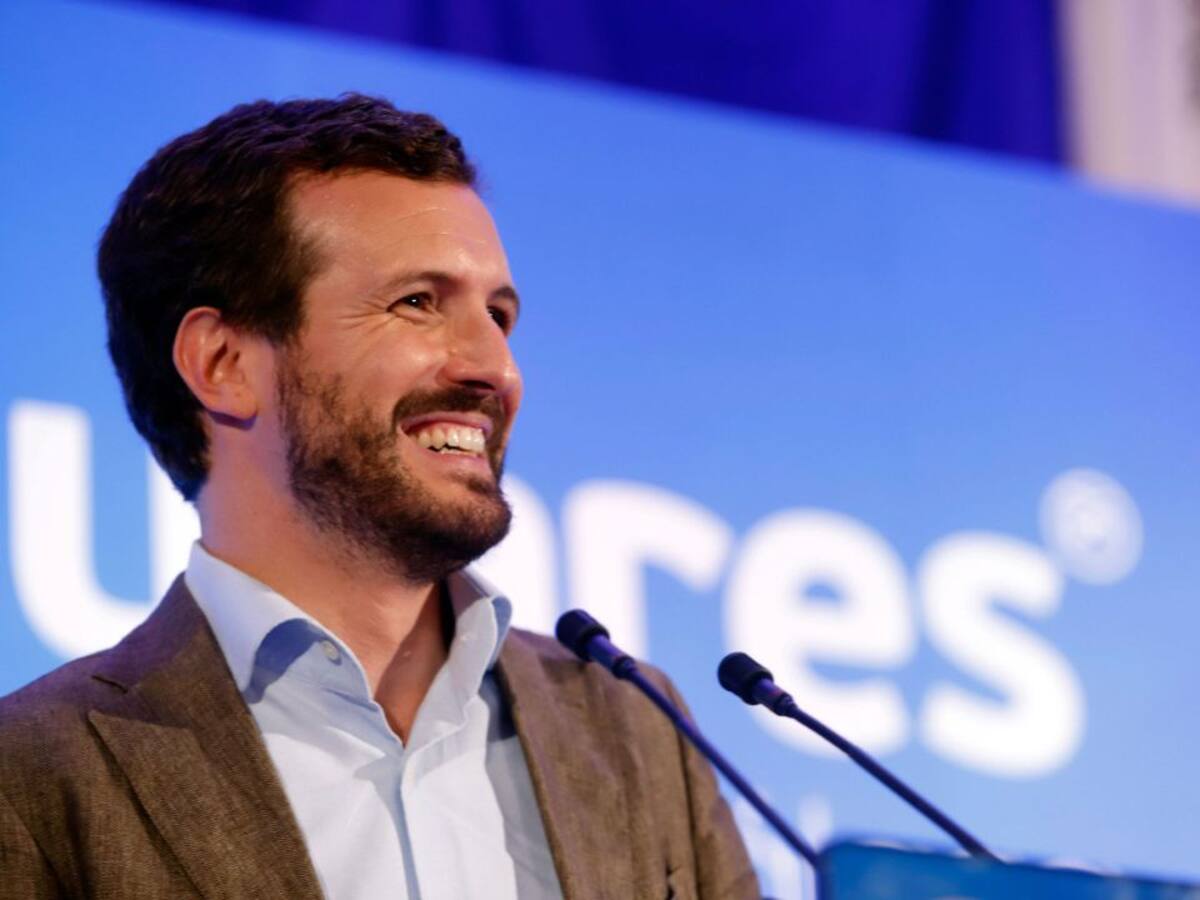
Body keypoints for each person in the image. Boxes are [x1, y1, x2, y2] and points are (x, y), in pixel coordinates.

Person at [0, 95, 759, 899]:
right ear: (224, 364)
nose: (495, 368)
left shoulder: (636, 727)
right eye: (417, 303)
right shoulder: (35, 774)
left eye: (499, 316)